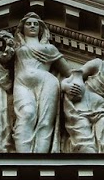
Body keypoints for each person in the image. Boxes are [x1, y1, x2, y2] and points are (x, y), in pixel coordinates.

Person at [10, 12, 69, 154]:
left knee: (45, 121)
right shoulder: (15, 48)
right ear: (22, 28)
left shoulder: (50, 49)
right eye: (28, 24)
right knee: (27, 113)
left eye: (35, 24)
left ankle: (40, 157)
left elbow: (68, 72)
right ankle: (23, 158)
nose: (32, 26)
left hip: (47, 83)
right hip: (22, 84)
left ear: (41, 28)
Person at [59, 73, 104, 154]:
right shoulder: (98, 66)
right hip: (84, 102)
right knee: (84, 140)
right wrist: (65, 86)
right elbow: (73, 74)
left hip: (102, 107)